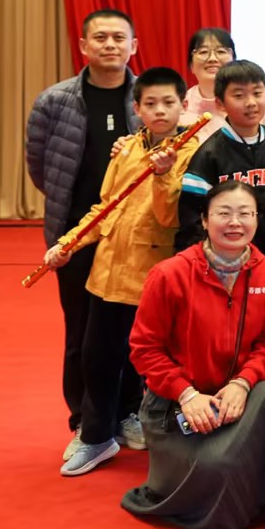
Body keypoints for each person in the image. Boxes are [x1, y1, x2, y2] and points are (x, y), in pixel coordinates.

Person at [41, 66, 197, 475]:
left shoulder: (192, 151)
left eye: (168, 103)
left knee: (149, 358)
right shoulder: (127, 148)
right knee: (97, 355)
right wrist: (68, 243)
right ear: (137, 108)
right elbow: (104, 208)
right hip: (107, 270)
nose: (159, 110)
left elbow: (171, 218)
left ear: (183, 105)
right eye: (150, 103)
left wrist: (163, 175)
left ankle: (144, 422)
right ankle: (96, 437)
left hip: (152, 272)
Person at [123, 180, 265, 529]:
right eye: (224, 213)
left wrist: (243, 383)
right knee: (217, 466)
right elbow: (144, 349)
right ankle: (236, 488)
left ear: (257, 219)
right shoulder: (169, 275)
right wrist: (186, 394)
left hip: (232, 401)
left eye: (245, 213)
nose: (235, 223)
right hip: (175, 405)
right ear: (203, 219)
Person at [25, 8, 141, 458]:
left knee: (132, 331)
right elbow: (41, 167)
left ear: (133, 46)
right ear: (83, 46)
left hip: (131, 237)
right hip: (74, 235)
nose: (110, 45)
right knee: (81, 330)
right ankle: (84, 420)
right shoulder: (54, 101)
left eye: (119, 38)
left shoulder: (146, 99)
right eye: (101, 38)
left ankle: (127, 413)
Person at [178, 60, 265, 268]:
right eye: (239, 96)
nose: (251, 102)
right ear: (220, 104)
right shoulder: (209, 154)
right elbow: (192, 218)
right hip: (224, 264)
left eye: (257, 93)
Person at [184, 27, 265, 141]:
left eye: (221, 51)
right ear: (191, 65)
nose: (212, 59)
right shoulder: (180, 106)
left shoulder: (253, 105)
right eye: (203, 52)